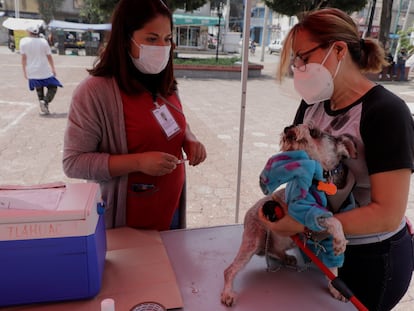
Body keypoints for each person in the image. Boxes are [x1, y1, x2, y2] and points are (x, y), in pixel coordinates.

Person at [258, 8, 414, 311]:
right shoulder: (312, 104)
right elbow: (298, 170)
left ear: (338, 49)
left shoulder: (385, 113)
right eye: (295, 61)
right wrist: (278, 204)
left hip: (371, 258)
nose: (297, 68)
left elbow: (387, 214)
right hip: (317, 249)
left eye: (303, 57)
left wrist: (303, 225)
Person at [62, 0, 206, 231]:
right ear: (125, 39)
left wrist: (188, 137)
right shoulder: (94, 92)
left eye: (167, 39)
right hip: (126, 220)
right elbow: (73, 163)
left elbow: (174, 120)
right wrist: (138, 162)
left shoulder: (165, 83)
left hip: (170, 210)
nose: (162, 47)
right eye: (151, 39)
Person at [20, 26, 62, 115]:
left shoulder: (23, 41)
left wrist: (24, 71)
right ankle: (45, 102)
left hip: (32, 71)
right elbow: (49, 56)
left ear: (28, 32)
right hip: (44, 70)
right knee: (53, 87)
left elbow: (23, 58)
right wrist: (53, 68)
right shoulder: (43, 42)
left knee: (39, 90)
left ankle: (43, 105)